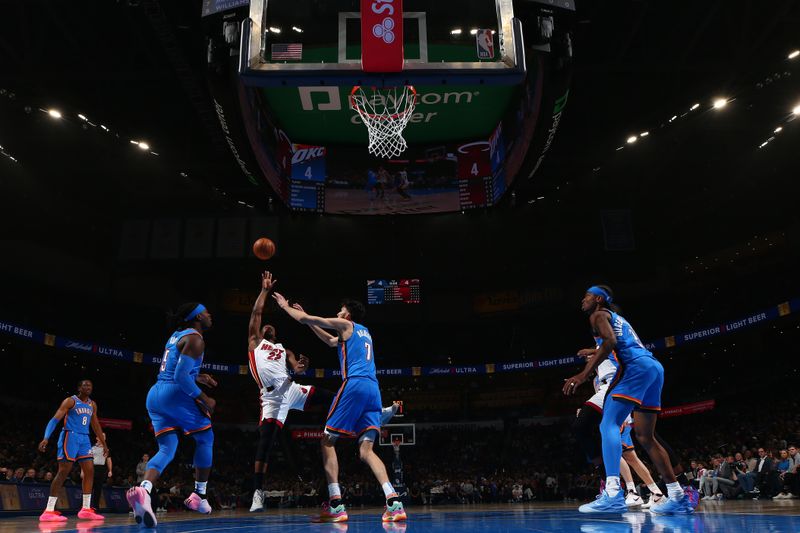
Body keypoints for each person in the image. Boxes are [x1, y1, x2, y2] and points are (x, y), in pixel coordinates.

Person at [247, 273, 400, 512]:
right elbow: (330, 341)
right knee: (366, 451)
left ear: (347, 314)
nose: (337, 313)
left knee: (327, 441)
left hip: (342, 385)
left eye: (340, 310)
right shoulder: (363, 332)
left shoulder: (344, 325)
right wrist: (310, 324)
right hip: (372, 388)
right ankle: (393, 500)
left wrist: (287, 307)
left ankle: (336, 504)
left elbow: (307, 319)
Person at [563, 285, 692, 514]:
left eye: (587, 296)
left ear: (599, 299)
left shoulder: (598, 315)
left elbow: (610, 342)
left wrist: (583, 375)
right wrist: (592, 352)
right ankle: (677, 495)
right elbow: (616, 344)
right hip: (653, 368)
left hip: (634, 369)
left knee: (608, 424)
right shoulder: (618, 318)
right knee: (646, 436)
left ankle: (613, 492)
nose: (582, 301)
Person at [126, 303, 218, 528]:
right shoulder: (196, 339)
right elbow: (180, 376)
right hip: (173, 394)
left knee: (167, 448)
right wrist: (204, 398)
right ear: (196, 316)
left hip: (155, 395)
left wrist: (198, 376)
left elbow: (176, 370)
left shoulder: (177, 335)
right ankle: (199, 495)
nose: (209, 315)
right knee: (206, 437)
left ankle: (144, 490)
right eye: (206, 312)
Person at [37, 380, 109, 522]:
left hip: (84, 439)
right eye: (85, 385)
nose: (88, 387)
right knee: (64, 471)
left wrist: (104, 444)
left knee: (89, 470)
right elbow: (55, 419)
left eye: (90, 385)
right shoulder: (70, 401)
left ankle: (86, 509)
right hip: (70, 436)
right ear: (79, 388)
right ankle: (48, 510)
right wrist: (46, 438)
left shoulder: (92, 404)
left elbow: (95, 425)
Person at [90, 433, 113, 511]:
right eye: (101, 436)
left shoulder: (106, 449)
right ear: (97, 438)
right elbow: (87, 460)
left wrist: (110, 470)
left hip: (101, 469)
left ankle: (95, 507)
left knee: (98, 488)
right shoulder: (92, 447)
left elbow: (109, 460)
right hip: (92, 468)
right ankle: (85, 506)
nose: (103, 437)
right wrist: (83, 471)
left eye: (104, 436)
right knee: (89, 487)